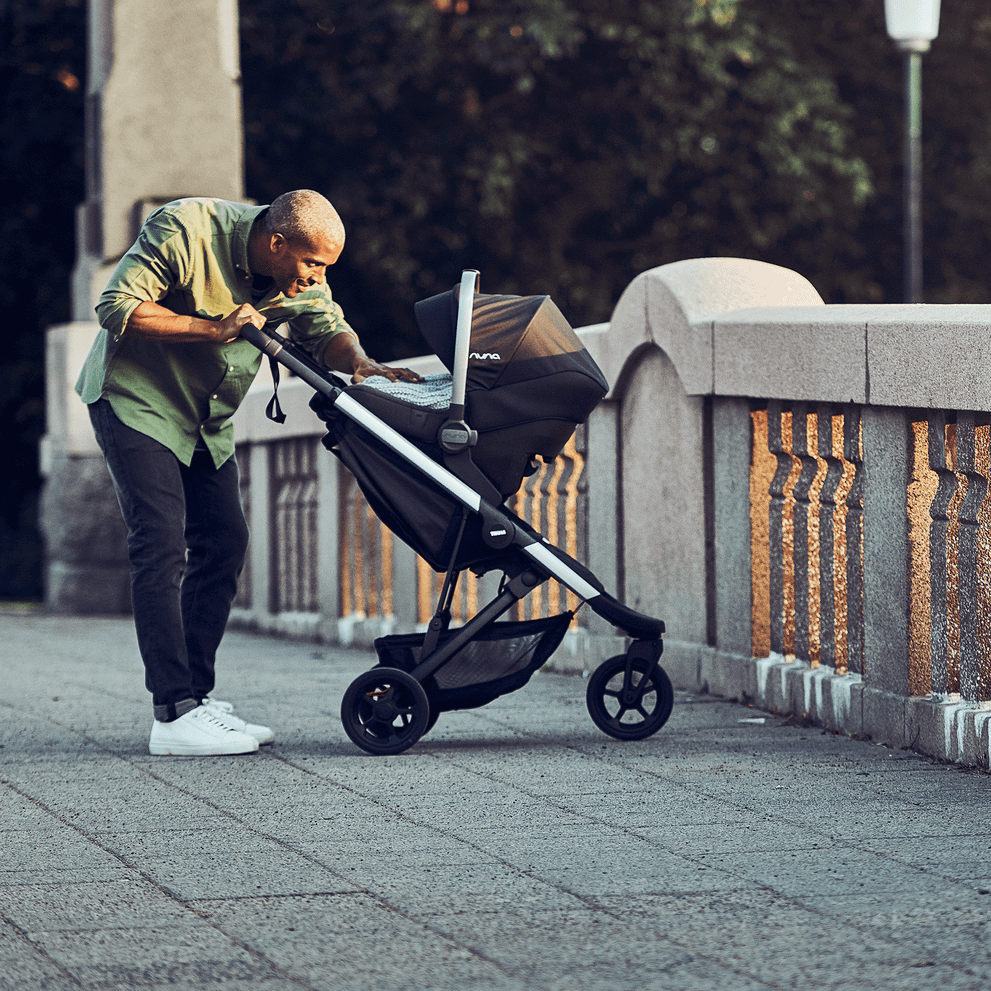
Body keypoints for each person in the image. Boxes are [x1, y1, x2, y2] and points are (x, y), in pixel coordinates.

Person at [76, 190, 419, 756]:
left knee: (224, 541)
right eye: (312, 263)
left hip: (206, 418)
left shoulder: (298, 278)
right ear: (276, 243)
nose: (317, 276)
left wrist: (360, 362)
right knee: (160, 543)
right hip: (137, 401)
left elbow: (325, 328)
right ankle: (172, 712)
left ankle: (195, 698)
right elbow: (117, 307)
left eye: (326, 267)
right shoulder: (186, 229)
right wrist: (211, 329)